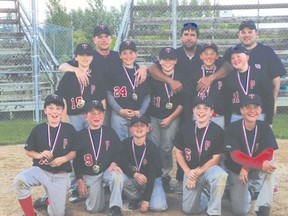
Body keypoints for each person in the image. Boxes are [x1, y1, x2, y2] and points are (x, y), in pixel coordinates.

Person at [149, 22, 233, 193]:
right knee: (186, 144)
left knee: (213, 145)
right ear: (181, 37)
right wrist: (170, 81)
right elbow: (152, 67)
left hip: (203, 109)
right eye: (186, 34)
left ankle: (216, 181)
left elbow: (228, 67)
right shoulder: (175, 53)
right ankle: (181, 178)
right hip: (187, 106)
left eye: (192, 34)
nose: (189, 37)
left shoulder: (205, 51)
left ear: (197, 38)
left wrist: (211, 78)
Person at [13, 94, 78, 216]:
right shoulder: (38, 129)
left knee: (58, 213)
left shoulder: (69, 129)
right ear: (45, 110)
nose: (54, 111)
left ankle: (47, 200)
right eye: (51, 107)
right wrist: (39, 155)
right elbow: (28, 150)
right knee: (20, 181)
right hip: (41, 170)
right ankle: (30, 214)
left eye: (58, 108)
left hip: (60, 174)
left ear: (62, 111)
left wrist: (63, 159)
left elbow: (73, 152)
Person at [223, 94, 278, 216]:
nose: (252, 111)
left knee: (270, 166)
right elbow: (235, 156)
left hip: (253, 167)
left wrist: (247, 167)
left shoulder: (264, 127)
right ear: (242, 110)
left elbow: (269, 152)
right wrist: (245, 167)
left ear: (260, 110)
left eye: (256, 107)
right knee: (239, 212)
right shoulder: (233, 127)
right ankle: (248, 192)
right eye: (248, 107)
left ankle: (263, 207)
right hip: (237, 170)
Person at [173, 95, 227, 216]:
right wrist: (188, 172)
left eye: (205, 108)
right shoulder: (185, 128)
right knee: (189, 210)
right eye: (198, 107)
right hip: (190, 171)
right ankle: (205, 195)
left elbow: (216, 158)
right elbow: (178, 152)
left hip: (208, 169)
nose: (201, 111)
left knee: (220, 175)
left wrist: (199, 171)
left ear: (211, 112)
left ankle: (213, 211)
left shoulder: (217, 130)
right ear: (193, 110)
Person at [58, 24, 147, 94]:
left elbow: (134, 66)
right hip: (95, 99)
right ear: (94, 40)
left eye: (106, 36)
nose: (104, 40)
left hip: (115, 99)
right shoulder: (88, 57)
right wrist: (76, 70)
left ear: (110, 39)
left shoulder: (118, 56)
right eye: (100, 37)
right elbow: (62, 66)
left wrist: (143, 67)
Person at [224, 19, 286, 114]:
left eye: (250, 32)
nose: (246, 35)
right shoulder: (231, 52)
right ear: (238, 34)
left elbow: (276, 79)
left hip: (260, 108)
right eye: (243, 32)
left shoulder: (267, 52)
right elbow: (223, 72)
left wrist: (273, 102)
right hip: (237, 108)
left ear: (257, 33)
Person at [73, 100, 124, 216]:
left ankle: (115, 208)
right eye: (92, 113)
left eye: (99, 113)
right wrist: (79, 180)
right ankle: (97, 192)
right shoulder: (80, 135)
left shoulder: (109, 132)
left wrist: (114, 163)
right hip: (90, 174)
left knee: (117, 176)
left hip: (106, 170)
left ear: (104, 115)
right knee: (94, 209)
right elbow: (76, 160)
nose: (96, 116)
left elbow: (119, 150)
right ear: (85, 116)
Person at [147, 47, 183, 193]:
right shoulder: (154, 76)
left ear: (176, 61)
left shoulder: (180, 76)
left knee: (166, 147)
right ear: (159, 60)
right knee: (153, 146)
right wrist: (147, 120)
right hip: (154, 116)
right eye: (164, 59)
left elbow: (183, 103)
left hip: (172, 116)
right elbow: (148, 98)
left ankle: (165, 175)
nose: (168, 62)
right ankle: (154, 175)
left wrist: (170, 118)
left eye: (171, 59)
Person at [119, 115, 168, 213]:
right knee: (118, 175)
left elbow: (153, 173)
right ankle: (136, 197)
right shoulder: (125, 143)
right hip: (133, 177)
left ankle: (143, 196)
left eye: (142, 125)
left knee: (159, 207)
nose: (139, 128)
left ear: (148, 129)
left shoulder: (152, 148)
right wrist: (134, 174)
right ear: (130, 129)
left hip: (151, 179)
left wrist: (146, 199)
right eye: (135, 125)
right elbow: (122, 164)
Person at [106, 40, 151, 141]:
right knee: (119, 143)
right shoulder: (114, 71)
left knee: (136, 144)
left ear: (136, 54)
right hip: (119, 114)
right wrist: (119, 110)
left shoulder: (141, 72)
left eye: (131, 53)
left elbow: (147, 96)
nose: (128, 56)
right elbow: (109, 93)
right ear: (120, 55)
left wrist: (141, 111)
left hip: (137, 115)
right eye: (124, 53)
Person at [224, 44, 274, 126]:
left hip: (257, 115)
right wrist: (227, 123)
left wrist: (269, 121)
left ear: (247, 57)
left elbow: (269, 98)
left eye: (238, 56)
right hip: (237, 116)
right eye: (232, 58)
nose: (235, 59)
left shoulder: (260, 74)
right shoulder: (230, 78)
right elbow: (227, 103)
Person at [183, 42, 226, 128]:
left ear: (217, 56)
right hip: (199, 115)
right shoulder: (194, 74)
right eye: (206, 54)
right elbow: (188, 97)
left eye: (212, 54)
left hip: (217, 116)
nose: (209, 56)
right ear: (201, 56)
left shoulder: (221, 75)